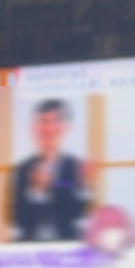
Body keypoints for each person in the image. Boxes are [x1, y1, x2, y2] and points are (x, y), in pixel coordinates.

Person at [9, 98, 91, 243]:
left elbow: (79, 215)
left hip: (68, 243)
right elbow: (18, 221)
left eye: (55, 122)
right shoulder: (21, 169)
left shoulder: (76, 167)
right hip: (29, 245)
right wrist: (36, 192)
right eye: (43, 122)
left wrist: (81, 185)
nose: (49, 128)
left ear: (66, 127)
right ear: (34, 128)